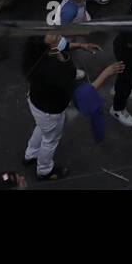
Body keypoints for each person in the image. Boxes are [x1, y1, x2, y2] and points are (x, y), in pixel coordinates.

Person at [22, 32, 124, 181]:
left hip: (37, 102)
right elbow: (82, 94)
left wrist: (82, 45)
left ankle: (30, 154)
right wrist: (106, 74)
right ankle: (44, 170)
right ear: (48, 48)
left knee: (42, 127)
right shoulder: (54, 71)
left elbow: (65, 45)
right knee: (50, 140)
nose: (57, 33)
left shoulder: (41, 54)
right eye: (54, 36)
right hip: (50, 110)